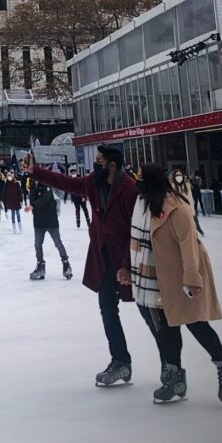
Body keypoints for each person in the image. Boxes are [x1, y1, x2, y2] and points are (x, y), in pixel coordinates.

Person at [23, 144, 141, 387]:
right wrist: (35, 172)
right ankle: (121, 361)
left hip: (131, 261)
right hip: (104, 259)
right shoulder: (94, 183)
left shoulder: (129, 189)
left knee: (149, 312)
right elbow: (65, 183)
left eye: (99, 160)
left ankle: (170, 365)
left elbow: (136, 233)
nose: (94, 164)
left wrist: (127, 265)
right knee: (108, 308)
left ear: (112, 164)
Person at [128, 163, 222, 405]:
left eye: (141, 180)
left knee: (197, 324)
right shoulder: (148, 204)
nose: (138, 185)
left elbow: (188, 244)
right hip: (160, 278)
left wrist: (192, 278)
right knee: (168, 329)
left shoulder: (177, 207)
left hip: (183, 274)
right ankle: (175, 378)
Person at [26, 180, 72, 280]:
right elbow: (32, 199)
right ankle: (40, 267)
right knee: (38, 245)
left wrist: (33, 206)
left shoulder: (46, 184)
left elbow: (45, 198)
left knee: (58, 243)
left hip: (51, 221)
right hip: (38, 222)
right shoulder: (33, 186)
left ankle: (66, 265)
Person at [170, 168, 204, 236]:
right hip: (177, 210)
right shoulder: (172, 186)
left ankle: (196, 231)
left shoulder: (186, 185)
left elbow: (190, 199)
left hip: (187, 208)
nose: (178, 177)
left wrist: (192, 211)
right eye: (177, 175)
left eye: (180, 175)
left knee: (192, 221)